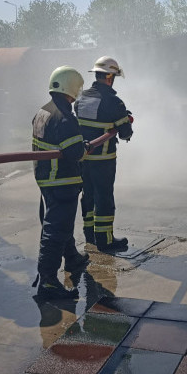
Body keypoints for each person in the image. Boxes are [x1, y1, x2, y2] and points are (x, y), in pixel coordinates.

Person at [31, 66, 91, 299]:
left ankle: (72, 258)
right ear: (72, 88)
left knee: (62, 225)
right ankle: (47, 281)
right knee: (55, 231)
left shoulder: (42, 111)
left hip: (47, 180)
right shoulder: (65, 118)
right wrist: (84, 147)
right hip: (62, 181)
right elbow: (75, 152)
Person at [75, 56, 134, 252]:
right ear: (110, 77)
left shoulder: (81, 97)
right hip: (104, 160)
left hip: (83, 158)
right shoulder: (114, 102)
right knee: (104, 198)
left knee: (88, 195)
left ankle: (90, 236)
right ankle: (105, 241)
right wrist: (125, 120)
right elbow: (125, 133)